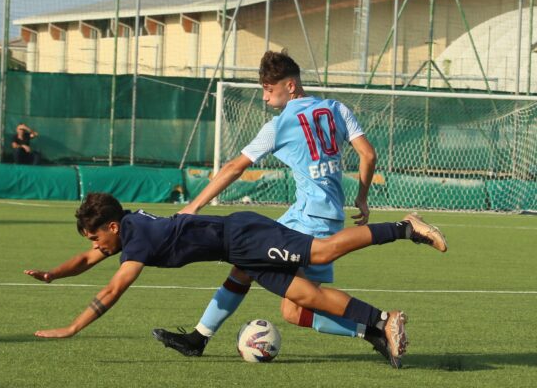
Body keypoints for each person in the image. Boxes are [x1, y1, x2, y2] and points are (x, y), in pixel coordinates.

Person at [152, 50, 391, 365]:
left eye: (268, 88)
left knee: (260, 273)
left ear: (290, 86)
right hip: (320, 217)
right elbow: (369, 155)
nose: (264, 97)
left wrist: (194, 206)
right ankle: (372, 333)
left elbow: (234, 167)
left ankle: (378, 324)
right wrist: (362, 197)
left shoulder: (280, 125)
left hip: (309, 220)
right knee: (286, 306)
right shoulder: (336, 108)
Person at [24, 193, 447, 366]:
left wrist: (72, 328)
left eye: (98, 236)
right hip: (239, 251)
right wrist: (53, 275)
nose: (96, 245)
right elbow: (86, 257)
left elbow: (113, 289)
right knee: (305, 296)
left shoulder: (137, 243)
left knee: (322, 250)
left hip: (245, 235)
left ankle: (406, 228)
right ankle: (381, 322)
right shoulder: (130, 228)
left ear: (113, 228)